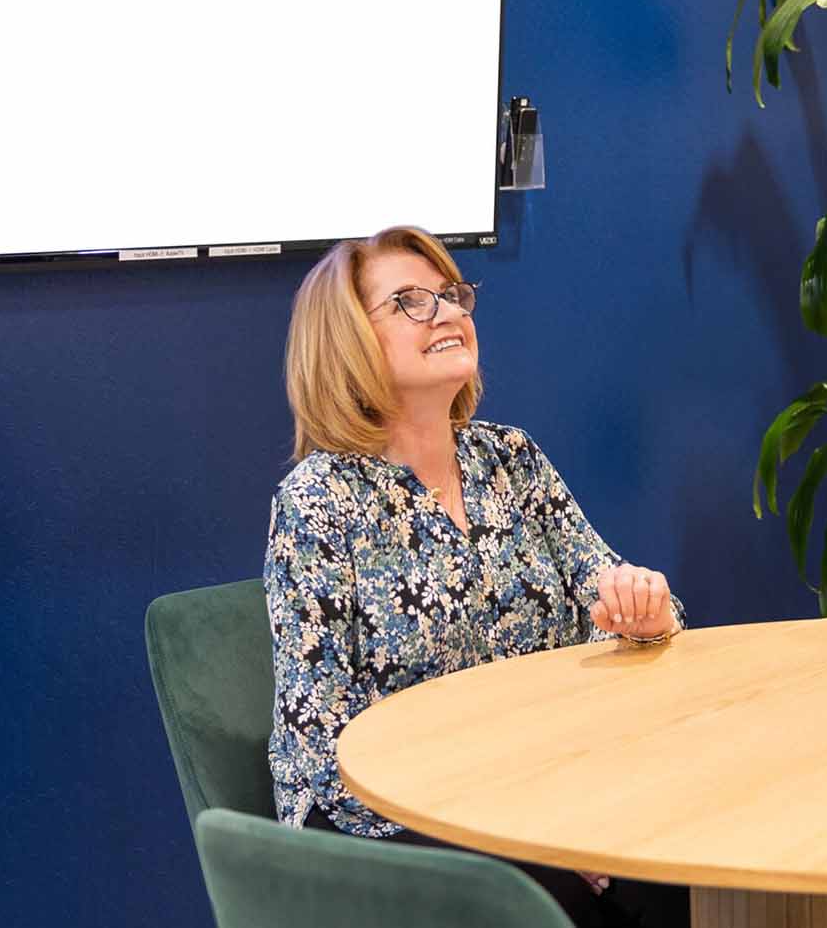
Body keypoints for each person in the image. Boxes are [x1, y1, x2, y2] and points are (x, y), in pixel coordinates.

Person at [265, 225, 688, 928]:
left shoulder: (513, 461)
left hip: (542, 788)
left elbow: (628, 594)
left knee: (687, 853)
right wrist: (531, 826)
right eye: (409, 301)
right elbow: (322, 743)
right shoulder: (320, 501)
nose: (449, 313)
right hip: (380, 824)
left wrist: (646, 612)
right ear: (345, 341)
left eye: (453, 295)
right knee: (593, 891)